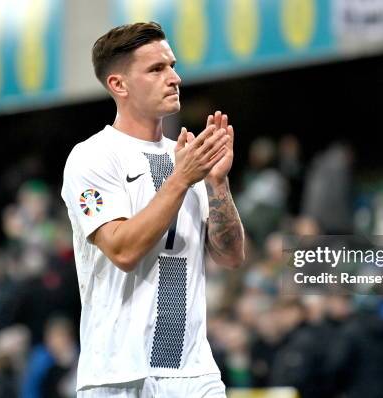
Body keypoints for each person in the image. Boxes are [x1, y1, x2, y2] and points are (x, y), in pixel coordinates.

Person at [60, 22, 245, 397]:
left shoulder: (187, 157)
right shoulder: (92, 156)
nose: (174, 78)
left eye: (172, 66)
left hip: (194, 373)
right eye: (156, 69)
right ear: (119, 85)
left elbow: (231, 256)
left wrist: (217, 184)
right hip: (119, 374)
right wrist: (181, 179)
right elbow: (123, 250)